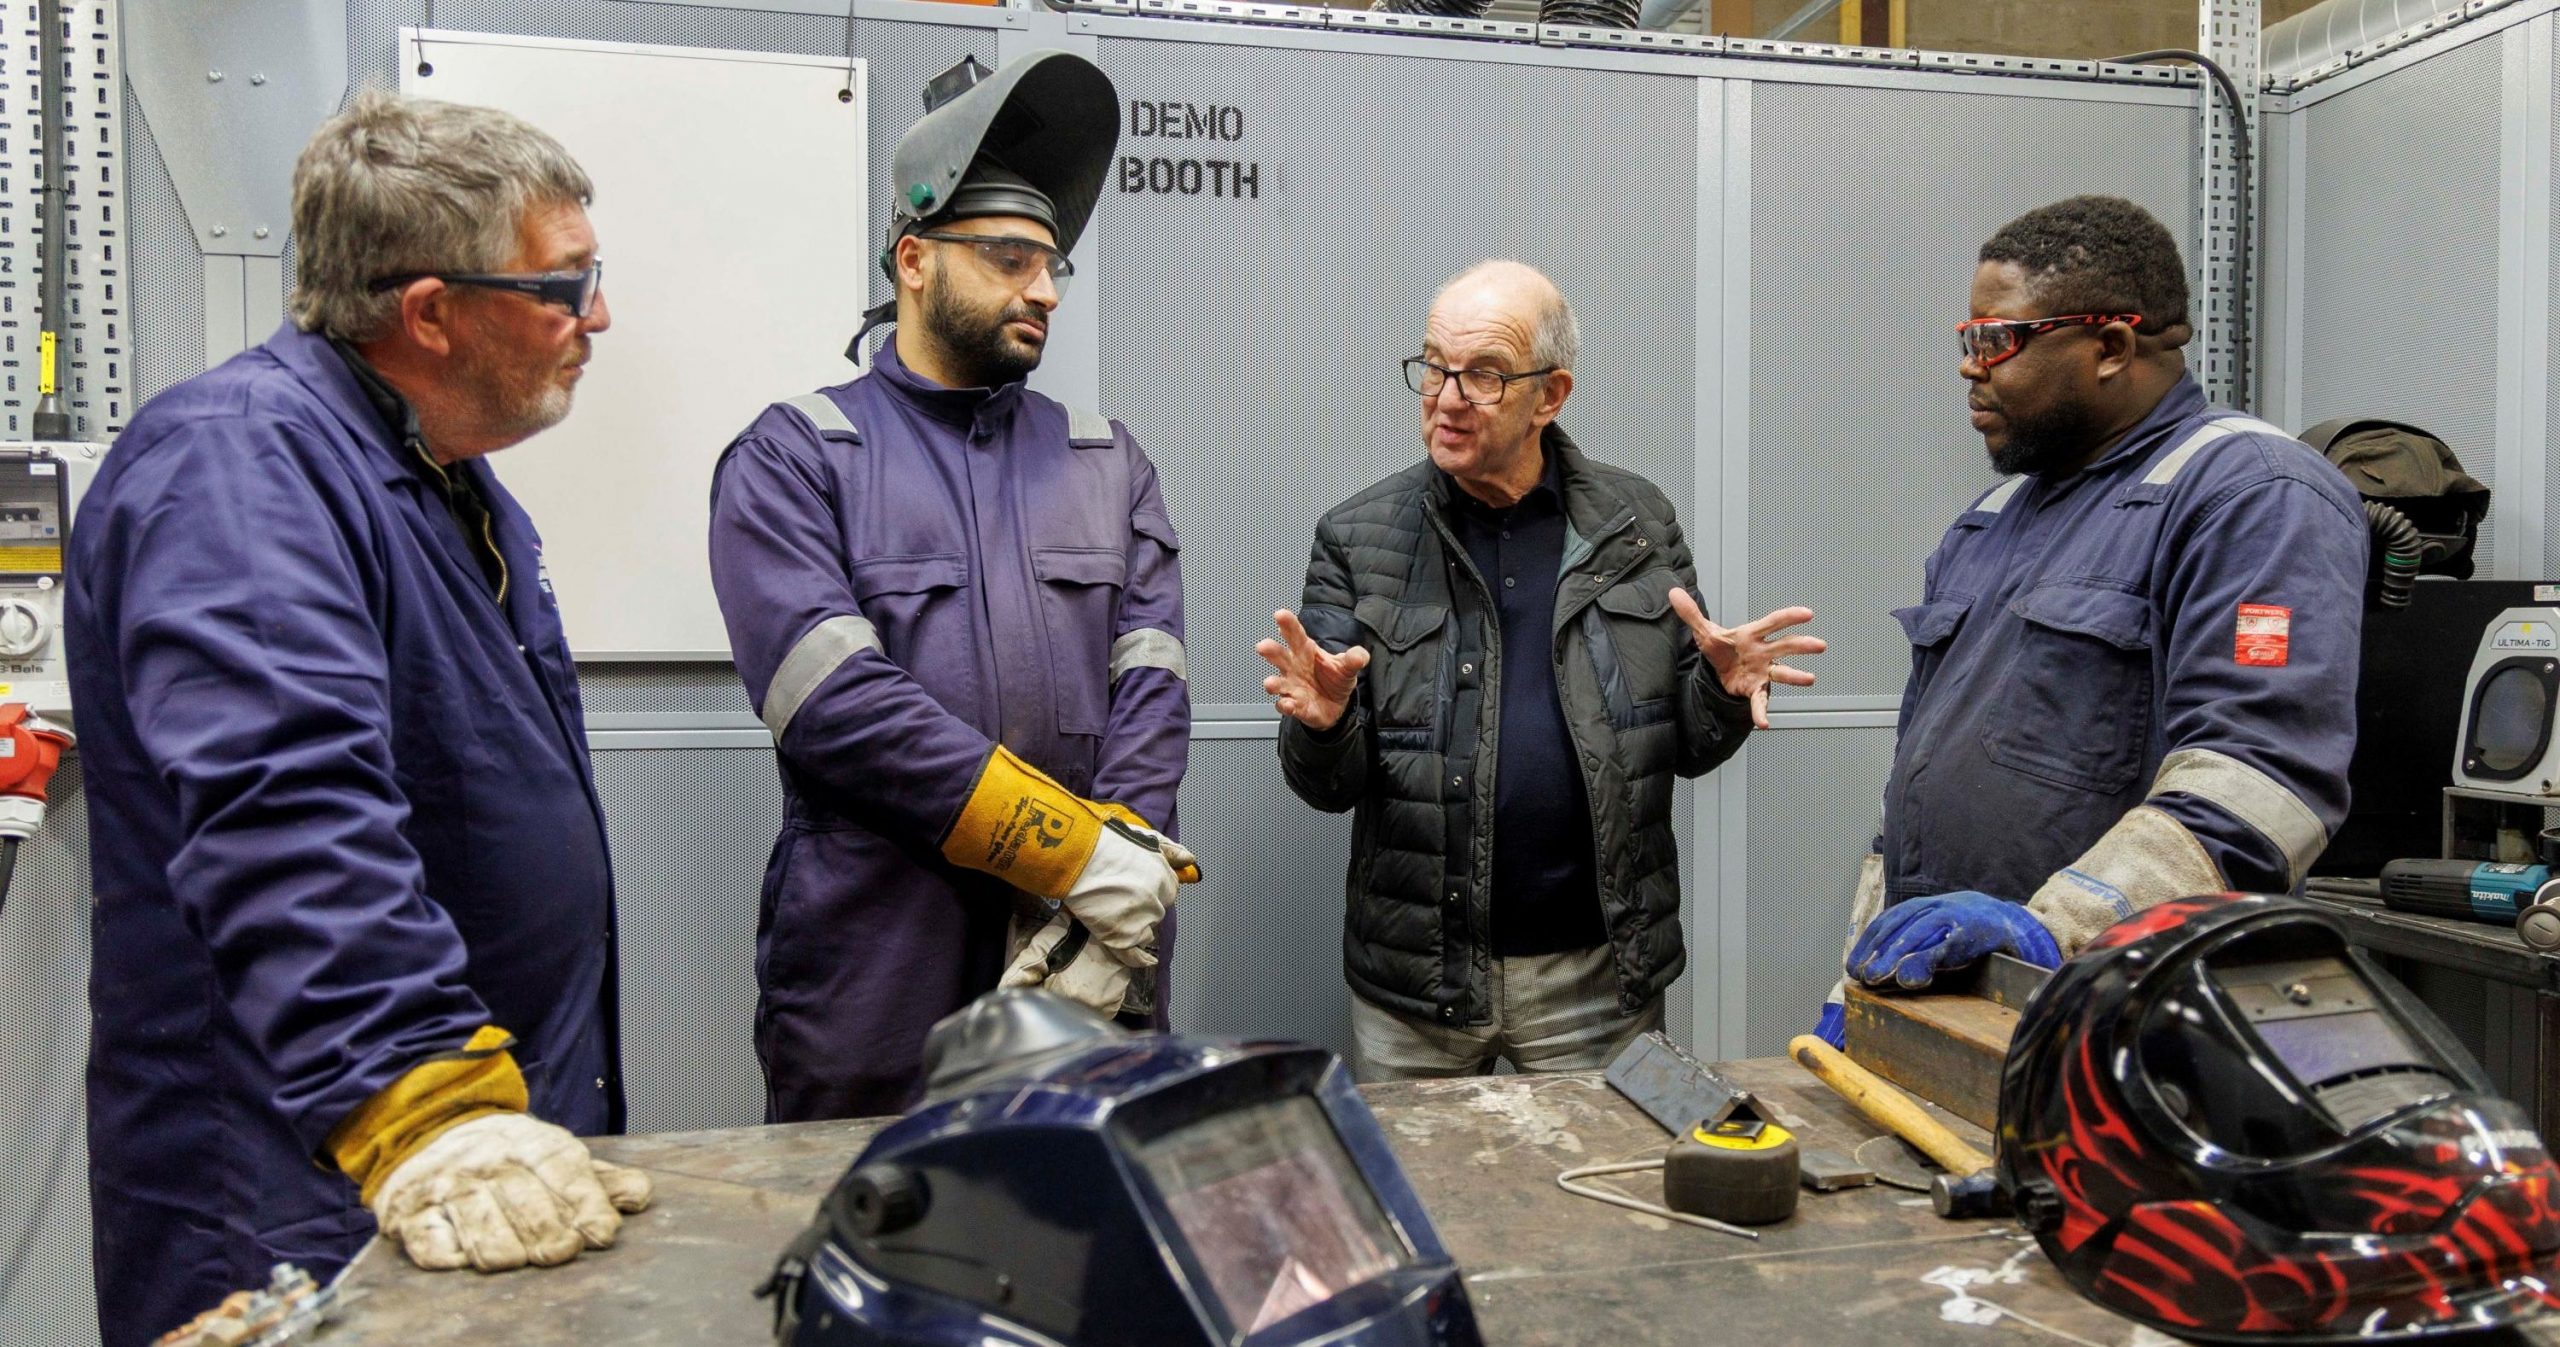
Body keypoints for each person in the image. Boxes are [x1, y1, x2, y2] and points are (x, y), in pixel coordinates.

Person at [71, 92, 645, 1347]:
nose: (594, 316)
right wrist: (430, 1111)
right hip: (309, 1181)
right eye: (564, 284)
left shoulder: (444, 482)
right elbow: (287, 807)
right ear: (432, 312)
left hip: (471, 1142)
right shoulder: (237, 466)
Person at [707, 51, 1193, 1122]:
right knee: (881, 1240)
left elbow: (1151, 681)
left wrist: (1124, 867)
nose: (1047, 290)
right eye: (1012, 259)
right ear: (914, 259)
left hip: (1088, 961)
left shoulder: (1106, 461)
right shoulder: (798, 457)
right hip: (877, 973)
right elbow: (838, 710)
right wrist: (1070, 853)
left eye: (1052, 261)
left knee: (1082, 1247)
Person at [1260, 260, 1823, 1078]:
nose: (1447, 396)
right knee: (1417, 1198)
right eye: (1434, 365)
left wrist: (1724, 694)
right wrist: (1323, 723)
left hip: (1598, 974)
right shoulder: (1359, 538)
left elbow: (1686, 748)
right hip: (1419, 981)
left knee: (1603, 1195)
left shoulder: (1636, 522)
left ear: (1550, 396)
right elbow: (1327, 785)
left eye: (1483, 374)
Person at [1823, 195, 2365, 1035]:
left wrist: (2056, 931)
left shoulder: (2251, 494)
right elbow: (1916, 790)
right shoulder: (1993, 517)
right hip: (1962, 1006)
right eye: (1967, 341)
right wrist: (1854, 994)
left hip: (2129, 1022)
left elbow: (2263, 781)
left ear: (2110, 346)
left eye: (1994, 340)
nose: (1972, 366)